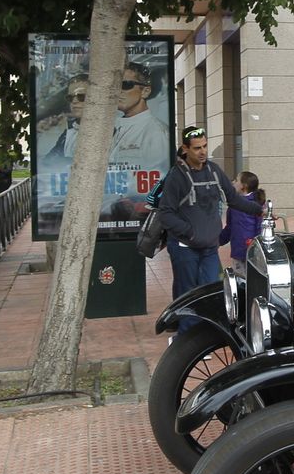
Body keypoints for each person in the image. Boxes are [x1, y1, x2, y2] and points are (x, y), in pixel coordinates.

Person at [157, 126, 263, 333]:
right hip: (184, 246)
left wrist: (259, 210)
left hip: (209, 247)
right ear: (185, 149)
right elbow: (165, 213)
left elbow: (233, 199)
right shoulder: (176, 177)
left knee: (211, 291)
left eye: (205, 146)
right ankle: (187, 339)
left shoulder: (214, 170)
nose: (203, 151)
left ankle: (204, 334)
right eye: (197, 148)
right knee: (188, 293)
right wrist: (190, 232)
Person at [105, 60, 171, 217]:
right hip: (112, 210)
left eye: (126, 84)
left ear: (145, 91)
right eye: (115, 86)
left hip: (136, 212)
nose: (119, 91)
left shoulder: (156, 132)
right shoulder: (115, 126)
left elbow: (159, 182)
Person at [220, 171, 265, 276]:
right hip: (238, 251)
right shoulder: (234, 205)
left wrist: (256, 244)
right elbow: (230, 227)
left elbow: (260, 226)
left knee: (254, 278)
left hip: (253, 251)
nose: (233, 182)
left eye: (236, 180)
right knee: (240, 279)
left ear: (243, 186)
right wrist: (218, 240)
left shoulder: (256, 204)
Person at [38, 74, 88, 161]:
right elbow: (49, 160)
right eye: (70, 97)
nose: (74, 101)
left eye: (81, 97)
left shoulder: (114, 130)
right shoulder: (68, 132)